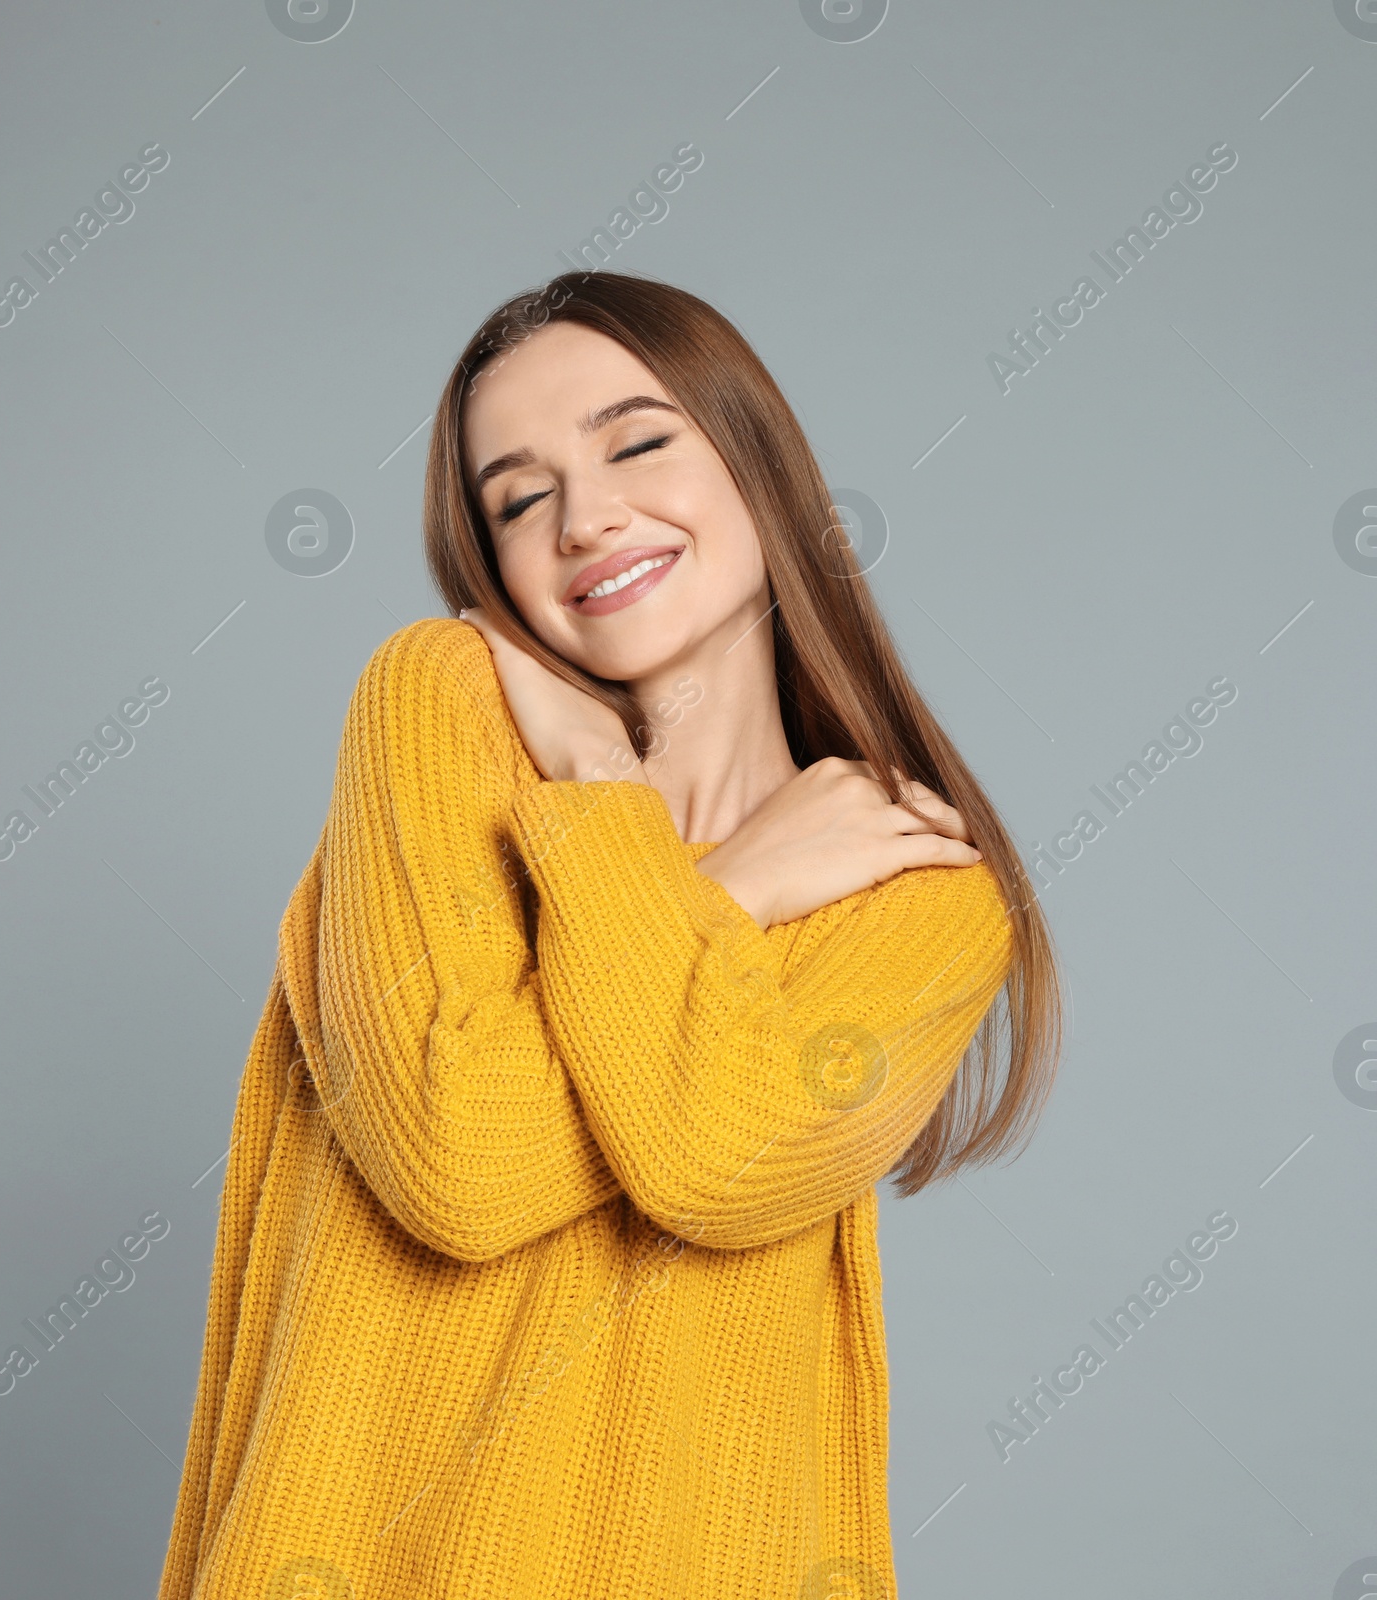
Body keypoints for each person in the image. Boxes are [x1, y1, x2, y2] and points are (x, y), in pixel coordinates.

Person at [157, 270, 1062, 1600]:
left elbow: (711, 1157)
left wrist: (628, 842)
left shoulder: (916, 886)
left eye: (636, 441)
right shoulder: (443, 706)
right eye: (519, 498)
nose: (585, 517)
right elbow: (454, 1160)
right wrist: (706, 865)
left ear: (759, 468)